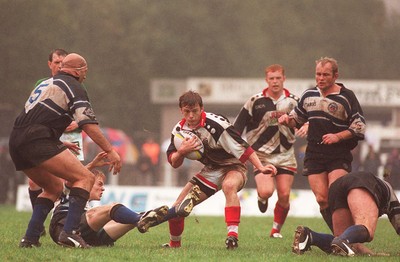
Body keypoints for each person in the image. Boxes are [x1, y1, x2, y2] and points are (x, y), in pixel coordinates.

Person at [9, 53, 122, 248]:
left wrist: (58, 143)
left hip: (17, 140)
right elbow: (88, 123)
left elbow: (40, 117)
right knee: (85, 178)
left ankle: (30, 238)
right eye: (85, 72)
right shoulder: (74, 86)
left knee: (53, 188)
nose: (85, 77)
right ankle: (69, 233)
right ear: (79, 71)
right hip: (38, 139)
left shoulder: (45, 83)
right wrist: (110, 150)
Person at [139, 90, 277, 249]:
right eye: (186, 111)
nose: (191, 116)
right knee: (178, 208)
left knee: (229, 185)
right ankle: (174, 245)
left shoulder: (217, 125)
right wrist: (182, 151)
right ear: (181, 110)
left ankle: (232, 237)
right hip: (211, 170)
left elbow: (244, 149)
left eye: (195, 111)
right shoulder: (178, 131)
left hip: (234, 165)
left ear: (201, 108)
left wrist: (261, 167)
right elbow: (174, 162)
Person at [278, 57, 366, 232]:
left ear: (335, 76)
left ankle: (350, 236)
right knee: (322, 199)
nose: (321, 78)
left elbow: (359, 126)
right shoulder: (309, 95)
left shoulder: (346, 96)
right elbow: (298, 119)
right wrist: (287, 120)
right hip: (314, 152)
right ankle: (340, 237)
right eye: (318, 74)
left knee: (336, 194)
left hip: (338, 153)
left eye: (325, 74)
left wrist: (338, 137)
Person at [234, 64, 307, 238]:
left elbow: (306, 120)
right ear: (266, 80)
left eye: (278, 78)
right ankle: (262, 197)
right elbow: (238, 127)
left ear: (284, 79)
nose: (275, 81)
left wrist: (306, 126)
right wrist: (236, 148)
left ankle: (275, 230)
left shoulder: (294, 101)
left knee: (284, 194)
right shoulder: (255, 101)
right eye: (271, 78)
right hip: (261, 154)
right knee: (267, 191)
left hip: (286, 154)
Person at [50, 153, 168, 247]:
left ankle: (174, 212)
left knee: (129, 220)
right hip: (62, 228)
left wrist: (174, 212)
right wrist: (92, 165)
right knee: (111, 208)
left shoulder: (87, 207)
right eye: (100, 184)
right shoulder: (71, 192)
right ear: (89, 182)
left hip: (82, 234)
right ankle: (140, 219)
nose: (103, 189)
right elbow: (73, 179)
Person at [27, 49, 84, 237]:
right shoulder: (42, 84)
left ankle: (66, 220)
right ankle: (42, 223)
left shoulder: (75, 83)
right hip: (46, 133)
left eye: (63, 61)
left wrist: (76, 123)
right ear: (49, 64)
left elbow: (82, 114)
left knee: (73, 177)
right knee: (35, 180)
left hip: (70, 135)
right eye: (56, 61)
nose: (59, 65)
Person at [292, 171, 400, 257]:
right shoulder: (389, 193)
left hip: (337, 187)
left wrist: (371, 254)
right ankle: (343, 239)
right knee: (367, 230)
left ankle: (310, 236)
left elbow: (356, 245)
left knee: (342, 246)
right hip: (360, 182)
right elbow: (398, 222)